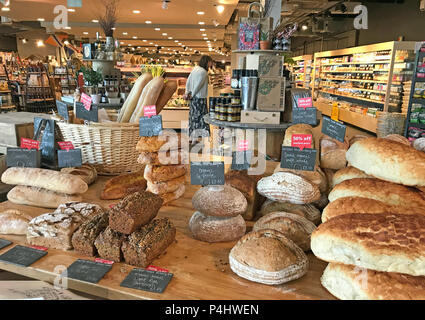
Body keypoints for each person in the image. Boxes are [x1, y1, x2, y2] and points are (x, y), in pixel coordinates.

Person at [184, 55, 213, 143]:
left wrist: (187, 92)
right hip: (200, 98)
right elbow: (198, 85)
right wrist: (192, 94)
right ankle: (200, 137)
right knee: (202, 117)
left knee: (193, 117)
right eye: (210, 62)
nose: (210, 64)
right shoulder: (204, 72)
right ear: (207, 62)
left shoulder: (195, 69)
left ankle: (191, 137)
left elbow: (188, 81)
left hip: (193, 99)